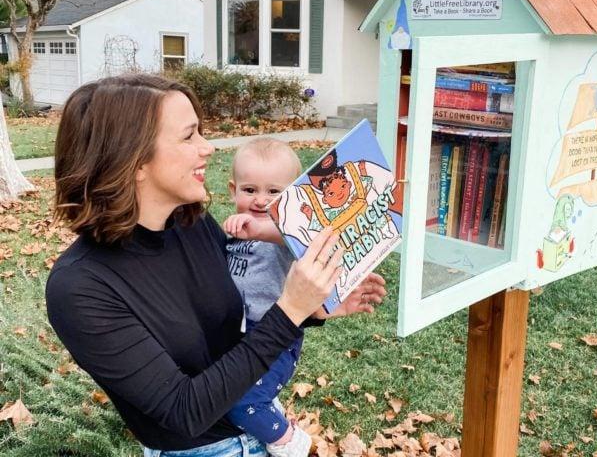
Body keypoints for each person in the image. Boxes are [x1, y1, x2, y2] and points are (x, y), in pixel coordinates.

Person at [45, 74, 386, 457]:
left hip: (259, 426)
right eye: (189, 136)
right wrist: (290, 309)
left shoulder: (190, 223)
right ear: (134, 159)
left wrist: (313, 307)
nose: (207, 148)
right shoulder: (80, 287)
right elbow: (183, 411)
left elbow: (239, 329)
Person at [222, 138, 310, 457]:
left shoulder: (287, 236)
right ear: (233, 190)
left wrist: (258, 231)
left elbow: (297, 237)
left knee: (241, 401)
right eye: (250, 190)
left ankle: (288, 441)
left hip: (274, 335)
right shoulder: (233, 232)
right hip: (238, 335)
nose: (261, 200)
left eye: (274, 192)